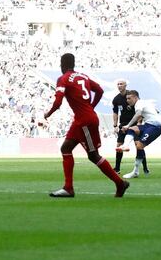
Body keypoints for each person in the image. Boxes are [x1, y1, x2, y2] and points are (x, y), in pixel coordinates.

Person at [44, 53, 129, 198]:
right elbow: (100, 90)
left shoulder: (63, 79)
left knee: (93, 155)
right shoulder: (82, 76)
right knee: (66, 148)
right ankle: (68, 188)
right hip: (81, 120)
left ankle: (119, 183)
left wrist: (48, 113)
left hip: (85, 121)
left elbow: (58, 102)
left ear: (62, 65)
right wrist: (91, 106)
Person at [120, 90, 161, 179]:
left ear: (135, 97)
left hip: (155, 127)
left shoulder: (138, 103)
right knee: (132, 130)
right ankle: (125, 145)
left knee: (139, 146)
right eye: (127, 98)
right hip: (148, 125)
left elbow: (138, 114)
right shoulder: (145, 103)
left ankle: (135, 171)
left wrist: (127, 125)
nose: (127, 100)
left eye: (129, 98)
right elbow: (157, 111)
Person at [112, 79, 135, 172]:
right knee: (119, 145)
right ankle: (117, 168)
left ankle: (144, 167)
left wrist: (140, 122)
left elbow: (139, 108)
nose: (119, 85)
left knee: (138, 145)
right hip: (123, 124)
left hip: (134, 123)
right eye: (118, 84)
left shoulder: (131, 95)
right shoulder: (116, 99)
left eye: (121, 84)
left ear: (125, 85)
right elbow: (115, 112)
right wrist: (115, 125)